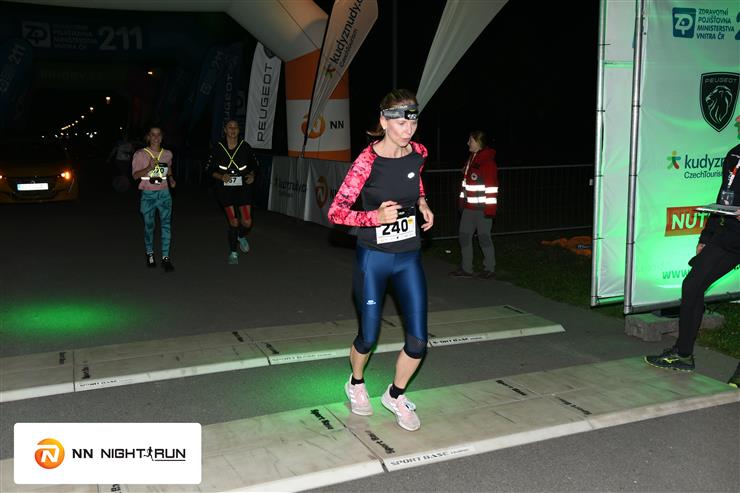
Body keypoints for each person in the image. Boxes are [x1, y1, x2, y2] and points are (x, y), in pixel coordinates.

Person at [328, 89, 434, 432]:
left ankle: (395, 395)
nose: (408, 129)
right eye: (401, 122)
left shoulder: (419, 152)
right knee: (368, 336)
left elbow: (416, 181)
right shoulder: (366, 162)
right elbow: (336, 212)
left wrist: (422, 203)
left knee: (418, 341)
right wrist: (373, 217)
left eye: (413, 122)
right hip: (373, 258)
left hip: (408, 256)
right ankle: (356, 382)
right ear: (384, 121)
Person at [646, 115, 740, 372]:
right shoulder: (734, 155)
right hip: (730, 236)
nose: (738, 121)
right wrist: (706, 237)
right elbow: (723, 198)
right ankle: (683, 354)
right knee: (692, 285)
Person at [207, 119, 259, 264]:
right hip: (225, 189)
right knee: (234, 222)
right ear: (225, 130)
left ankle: (240, 236)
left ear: (239, 130)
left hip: (243, 188)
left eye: (235, 127)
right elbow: (209, 170)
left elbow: (255, 166)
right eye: (230, 127)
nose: (233, 130)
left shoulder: (245, 147)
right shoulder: (218, 147)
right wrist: (221, 176)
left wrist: (252, 175)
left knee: (247, 222)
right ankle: (233, 253)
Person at [450, 130, 499, 279]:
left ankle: (489, 268)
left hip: (483, 210)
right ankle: (467, 269)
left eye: (470, 140)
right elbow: (466, 185)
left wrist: (490, 210)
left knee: (484, 238)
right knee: (464, 236)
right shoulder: (472, 159)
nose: (468, 143)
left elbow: (491, 188)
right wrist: (462, 203)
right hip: (468, 209)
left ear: (478, 142)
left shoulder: (487, 162)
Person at [131, 126, 176, 272]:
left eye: (158, 135)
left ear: (162, 137)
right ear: (148, 137)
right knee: (149, 226)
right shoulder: (140, 154)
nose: (156, 137)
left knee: (166, 225)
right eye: (153, 135)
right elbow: (135, 176)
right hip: (148, 195)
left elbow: (168, 168)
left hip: (164, 193)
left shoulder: (167, 154)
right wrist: (149, 167)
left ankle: (165, 258)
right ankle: (150, 253)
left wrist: (171, 178)